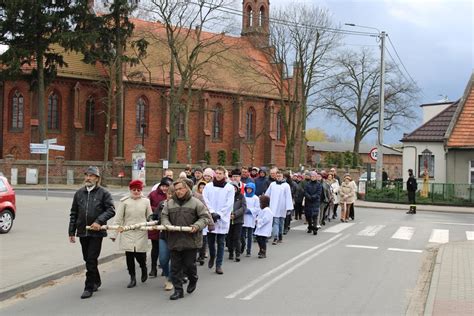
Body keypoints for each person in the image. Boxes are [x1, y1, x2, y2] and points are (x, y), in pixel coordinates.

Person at [68, 166, 115, 299]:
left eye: (91, 175)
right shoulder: (79, 193)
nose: (88, 178)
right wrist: (71, 231)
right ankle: (96, 280)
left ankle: (88, 287)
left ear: (97, 178)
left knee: (91, 259)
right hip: (83, 231)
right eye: (87, 175)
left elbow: (111, 210)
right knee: (87, 259)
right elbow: (74, 213)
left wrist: (99, 221)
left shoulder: (104, 193)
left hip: (96, 232)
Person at [160, 179, 209, 300]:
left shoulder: (196, 203)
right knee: (175, 267)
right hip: (174, 240)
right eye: (176, 190)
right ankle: (178, 290)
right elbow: (164, 216)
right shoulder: (170, 203)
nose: (178, 191)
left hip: (190, 241)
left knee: (189, 265)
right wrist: (167, 225)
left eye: (180, 189)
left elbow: (205, 218)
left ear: (186, 188)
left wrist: (197, 226)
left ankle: (193, 278)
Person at [111, 180, 152, 288]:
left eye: (138, 190)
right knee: (129, 256)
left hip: (141, 232)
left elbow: (150, 217)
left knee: (140, 256)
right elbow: (118, 219)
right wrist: (114, 234)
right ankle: (132, 277)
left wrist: (152, 226)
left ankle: (143, 267)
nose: (136, 192)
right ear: (130, 190)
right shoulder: (124, 202)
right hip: (127, 232)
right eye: (134, 190)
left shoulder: (146, 201)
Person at [203, 166, 235, 275]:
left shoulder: (229, 188)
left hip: (222, 218)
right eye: (216, 173)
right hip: (211, 217)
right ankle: (212, 255)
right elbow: (205, 199)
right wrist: (212, 212)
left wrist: (220, 214)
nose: (218, 175)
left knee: (221, 242)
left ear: (224, 175)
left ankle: (219, 265)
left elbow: (229, 203)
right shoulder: (208, 186)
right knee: (211, 242)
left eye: (220, 173)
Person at [147, 177, 171, 278]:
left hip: (167, 226)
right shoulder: (153, 194)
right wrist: (156, 208)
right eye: (163, 186)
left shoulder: (171, 195)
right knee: (155, 247)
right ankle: (153, 268)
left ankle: (164, 266)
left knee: (166, 248)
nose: (164, 188)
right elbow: (147, 205)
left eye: (167, 186)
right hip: (155, 224)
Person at [265, 169, 293, 245]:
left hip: (282, 207)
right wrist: (263, 200)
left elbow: (288, 197)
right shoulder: (272, 184)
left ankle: (280, 235)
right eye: (277, 176)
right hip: (273, 206)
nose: (278, 177)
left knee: (281, 222)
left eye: (280, 176)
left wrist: (289, 208)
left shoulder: (286, 185)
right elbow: (267, 194)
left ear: (283, 177)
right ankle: (275, 237)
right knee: (275, 222)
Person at [227, 181, 246, 262]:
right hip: (229, 220)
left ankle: (237, 254)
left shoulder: (241, 196)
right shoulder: (227, 196)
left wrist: (235, 214)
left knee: (236, 237)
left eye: (234, 187)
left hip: (238, 220)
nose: (233, 189)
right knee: (229, 237)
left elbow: (243, 208)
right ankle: (231, 252)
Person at [242, 182, 259, 257]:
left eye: (250, 189)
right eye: (247, 189)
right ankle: (242, 246)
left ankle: (248, 250)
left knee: (249, 236)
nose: (248, 190)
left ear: (253, 189)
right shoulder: (243, 196)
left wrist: (249, 211)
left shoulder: (255, 198)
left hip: (251, 219)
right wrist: (243, 210)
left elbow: (257, 208)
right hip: (243, 218)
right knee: (242, 235)